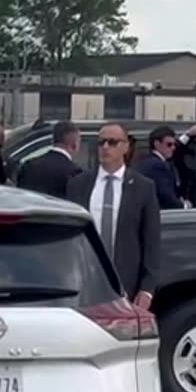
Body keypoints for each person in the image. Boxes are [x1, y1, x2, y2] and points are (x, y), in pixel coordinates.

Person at [65, 123, 160, 309]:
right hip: (85, 282)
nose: (105, 147)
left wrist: (147, 289)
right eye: (101, 143)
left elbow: (151, 242)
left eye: (112, 142)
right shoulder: (78, 184)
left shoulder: (143, 187)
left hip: (126, 285)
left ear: (126, 147)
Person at [136, 124, 196, 209]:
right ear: (157, 144)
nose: (173, 148)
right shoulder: (156, 166)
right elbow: (166, 195)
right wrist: (184, 205)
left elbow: (177, 148)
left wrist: (188, 135)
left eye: (174, 144)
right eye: (169, 144)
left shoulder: (151, 160)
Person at [16, 120, 82, 198]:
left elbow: (20, 197)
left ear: (53, 141)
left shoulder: (29, 165)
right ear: (74, 145)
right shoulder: (74, 172)